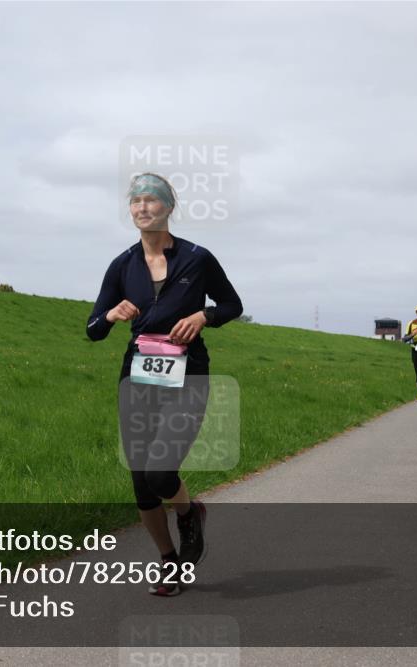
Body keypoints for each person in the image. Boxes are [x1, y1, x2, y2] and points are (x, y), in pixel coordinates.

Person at [86, 173, 242, 597]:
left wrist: (202, 317)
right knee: (141, 479)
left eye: (151, 200)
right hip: (137, 374)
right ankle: (170, 562)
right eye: (135, 201)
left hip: (187, 373)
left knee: (160, 470)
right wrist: (112, 316)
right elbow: (93, 328)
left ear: (169, 208)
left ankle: (190, 514)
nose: (142, 207)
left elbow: (232, 304)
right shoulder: (122, 265)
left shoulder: (197, 258)